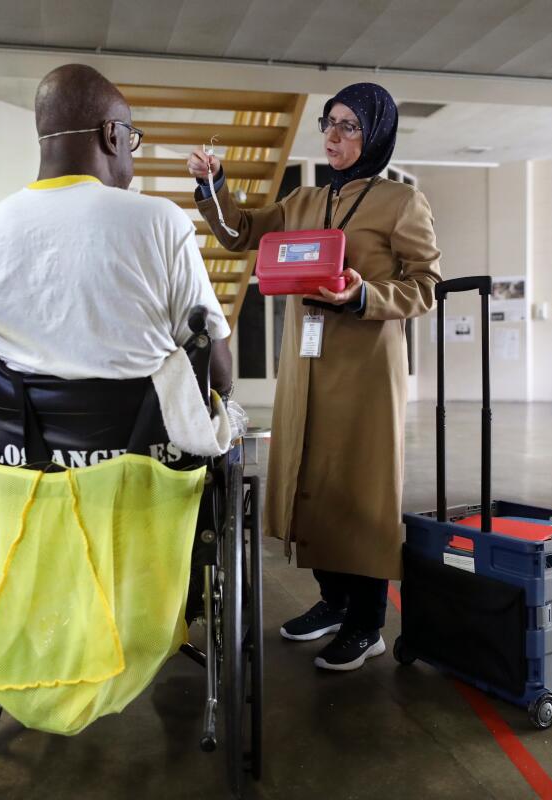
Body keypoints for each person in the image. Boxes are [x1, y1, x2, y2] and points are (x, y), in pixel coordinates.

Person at [187, 83, 441, 671]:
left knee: (360, 488)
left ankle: (366, 622)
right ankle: (332, 600)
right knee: (309, 480)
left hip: (364, 370)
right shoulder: (303, 200)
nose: (333, 134)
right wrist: (213, 186)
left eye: (349, 125)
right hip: (305, 366)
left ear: (375, 133)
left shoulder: (402, 204)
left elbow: (426, 286)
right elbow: (238, 233)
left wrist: (363, 295)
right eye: (330, 122)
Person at [0, 63, 232, 404]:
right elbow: (216, 370)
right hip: (147, 455)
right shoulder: (160, 221)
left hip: (12, 453)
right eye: (130, 138)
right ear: (111, 135)